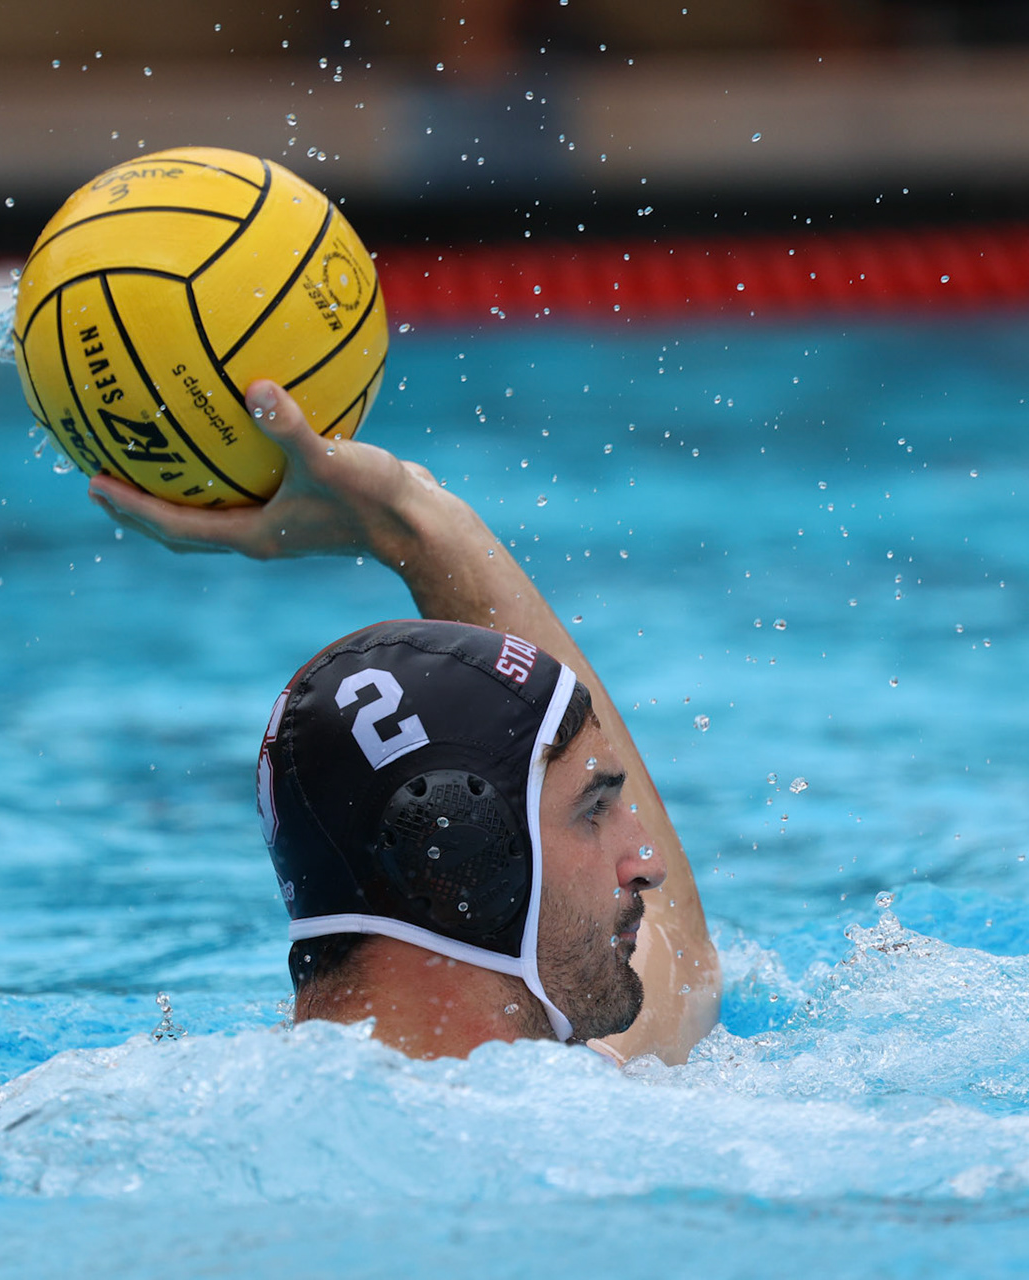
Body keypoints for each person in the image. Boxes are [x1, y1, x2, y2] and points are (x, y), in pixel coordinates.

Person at [87, 379, 719, 1066]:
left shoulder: (145, 1108)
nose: (648, 864)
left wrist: (415, 524)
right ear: (461, 853)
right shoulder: (585, 1117)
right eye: (593, 808)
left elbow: (685, 962)